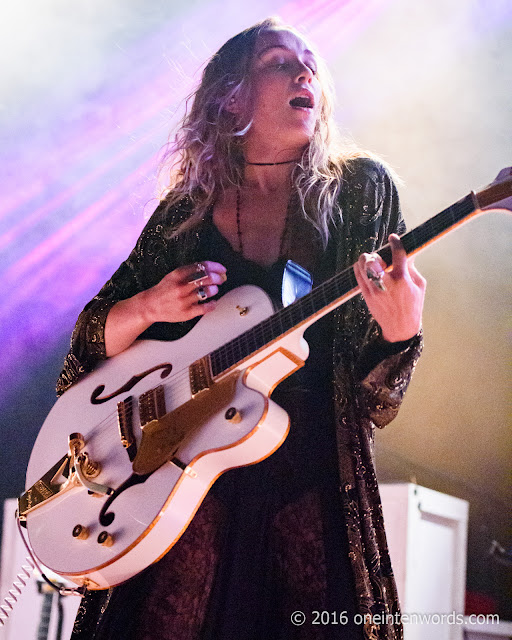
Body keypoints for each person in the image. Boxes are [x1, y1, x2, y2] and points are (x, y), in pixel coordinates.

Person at [59, 17, 425, 640]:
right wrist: (147, 307)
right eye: (281, 61)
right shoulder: (183, 212)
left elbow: (371, 400)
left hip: (306, 477)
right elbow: (87, 352)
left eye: (311, 64)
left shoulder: (359, 190)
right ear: (232, 95)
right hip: (180, 482)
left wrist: (401, 332)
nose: (306, 72)